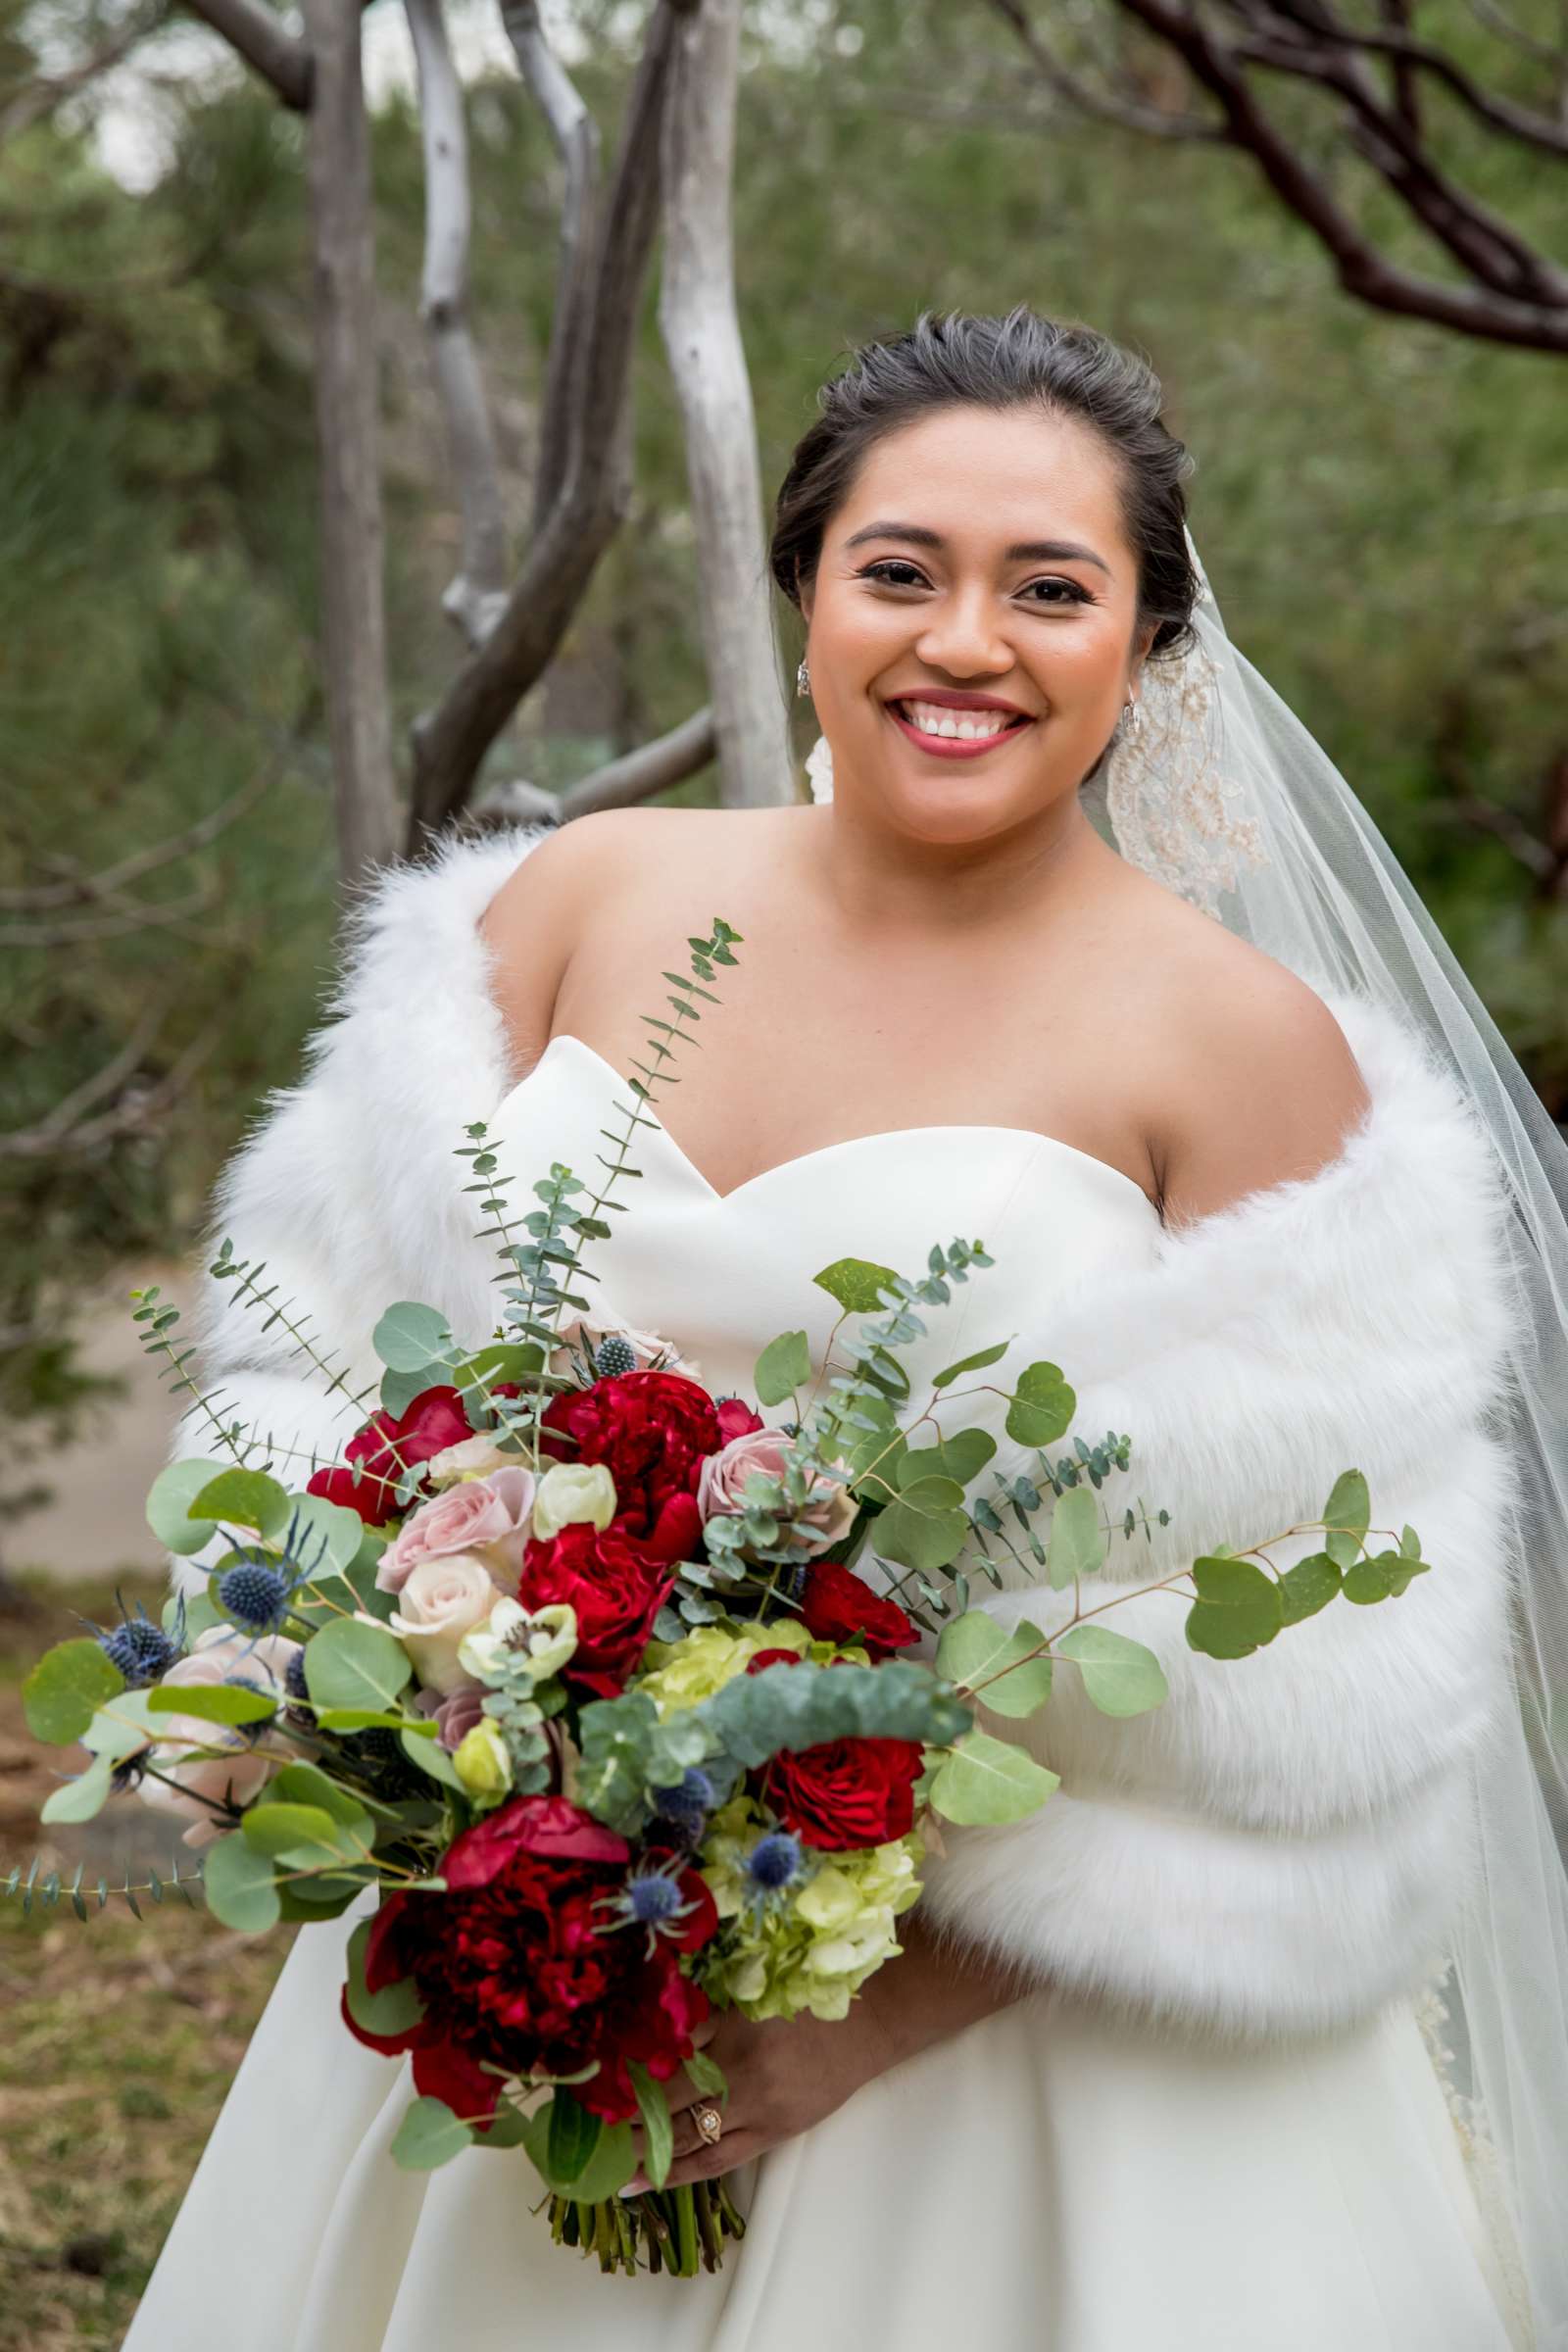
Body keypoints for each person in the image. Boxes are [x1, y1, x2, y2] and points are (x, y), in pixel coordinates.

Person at [122, 308, 1567, 2351]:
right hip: (533, 1990)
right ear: (802, 590)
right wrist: (372, 1724)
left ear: (1144, 645)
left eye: (1046, 588)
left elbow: (1338, 1693)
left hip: (1019, 2082)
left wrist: (857, 2016)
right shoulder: (568, 907)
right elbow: (317, 1370)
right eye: (898, 570)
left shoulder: (1240, 1054)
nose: (960, 640)